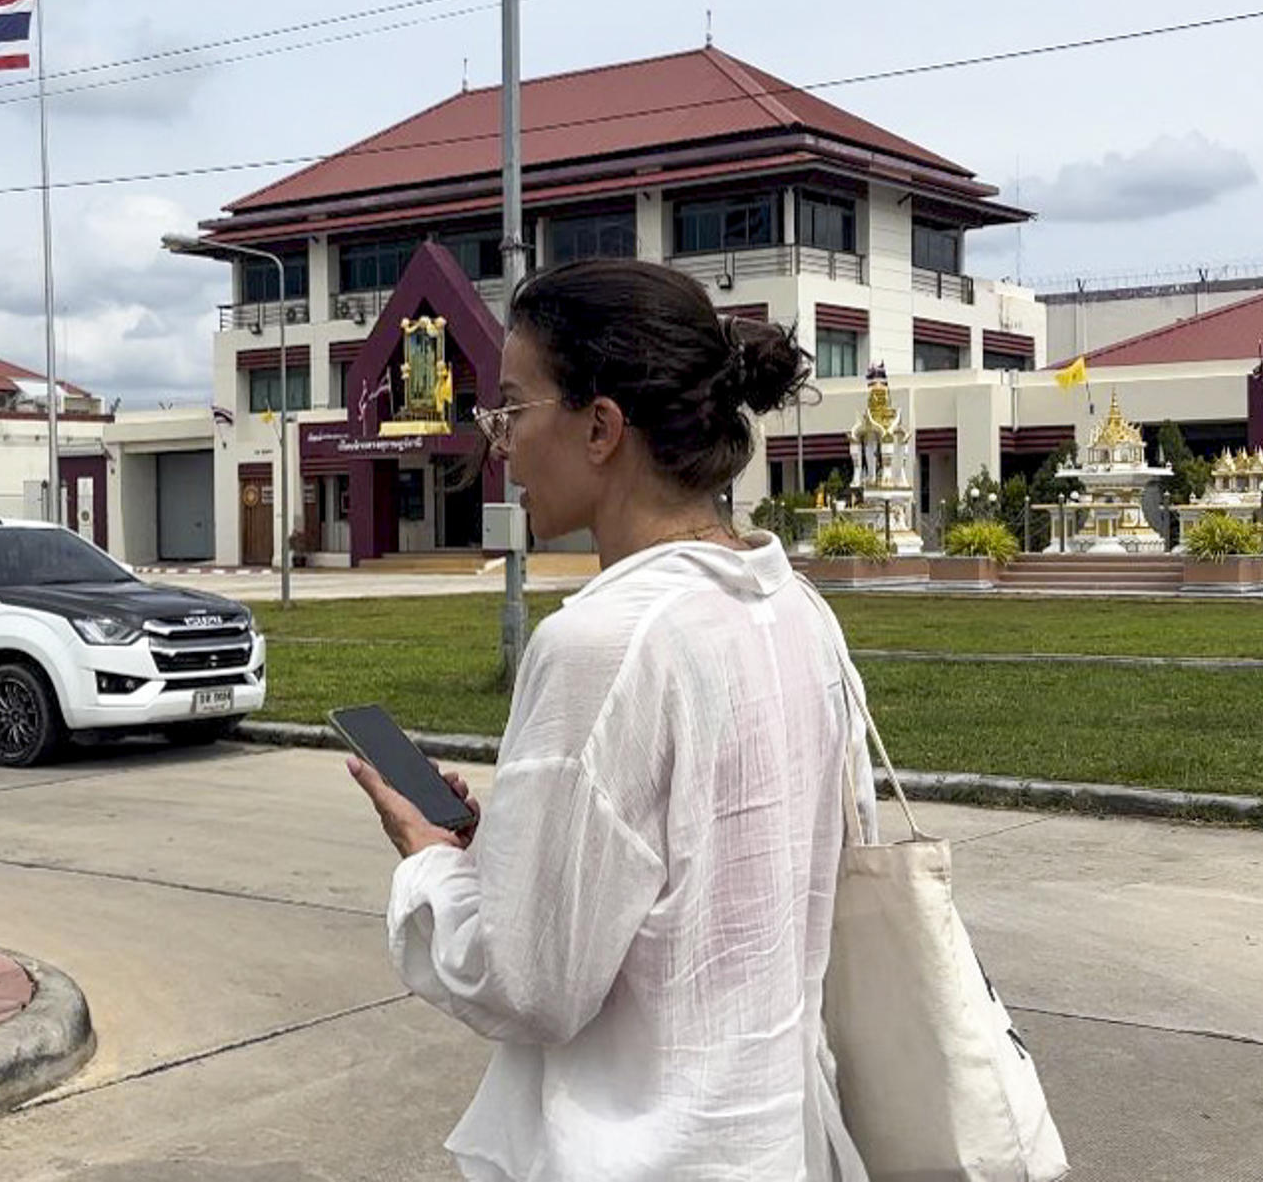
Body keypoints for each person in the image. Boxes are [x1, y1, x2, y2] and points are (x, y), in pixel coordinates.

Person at [347, 258, 877, 1181]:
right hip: (779, 1141)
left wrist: (431, 860)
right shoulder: (798, 612)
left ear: (601, 427)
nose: (499, 442)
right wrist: (505, 852)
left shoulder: (603, 642)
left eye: (512, 407)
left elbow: (531, 978)